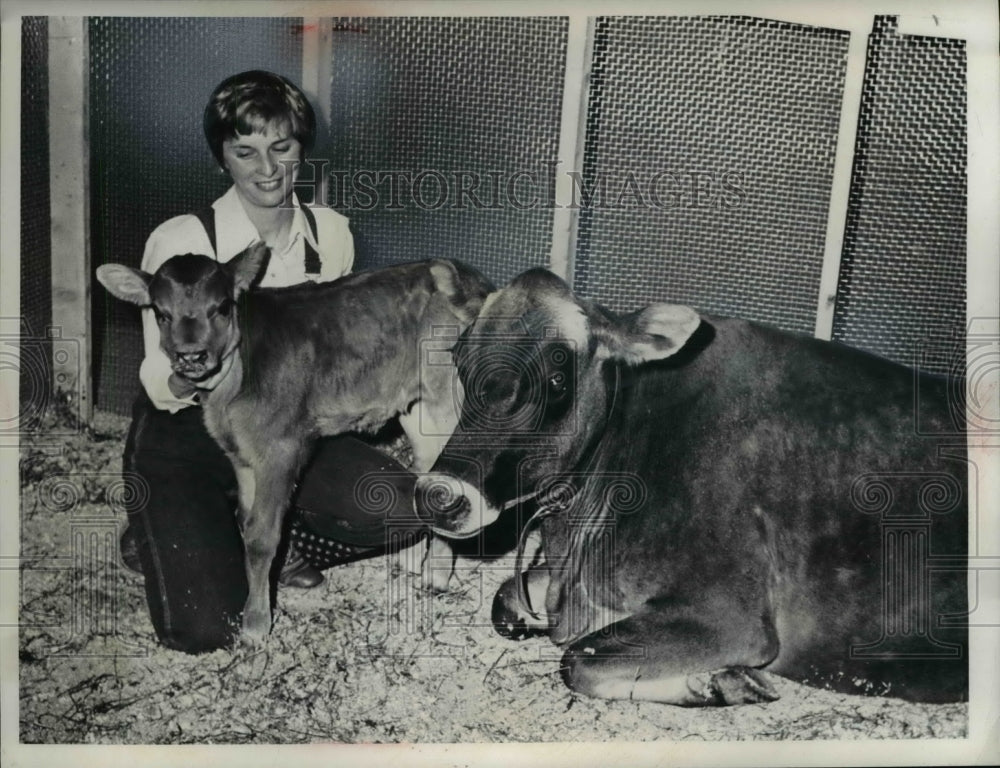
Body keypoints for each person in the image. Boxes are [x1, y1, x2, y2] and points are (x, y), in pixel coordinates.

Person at [121, 70, 418, 654]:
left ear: (301, 151)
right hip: (187, 426)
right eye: (245, 151)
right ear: (222, 159)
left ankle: (270, 536)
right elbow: (159, 382)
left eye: (282, 148)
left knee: (403, 510)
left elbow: (336, 347)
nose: (267, 169)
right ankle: (158, 533)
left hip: (286, 423)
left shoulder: (330, 234)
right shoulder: (183, 238)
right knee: (205, 629)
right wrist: (195, 367)